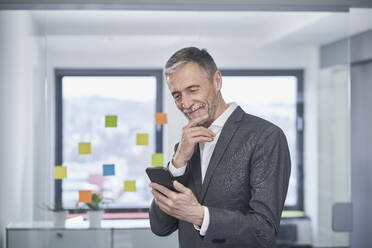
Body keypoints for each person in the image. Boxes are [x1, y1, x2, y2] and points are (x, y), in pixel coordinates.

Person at [149, 47, 291, 248]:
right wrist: (177, 163)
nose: (186, 103)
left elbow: (264, 231)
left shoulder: (265, 136)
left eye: (192, 89)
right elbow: (160, 226)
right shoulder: (185, 147)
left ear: (217, 81)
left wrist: (201, 216)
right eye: (177, 95)